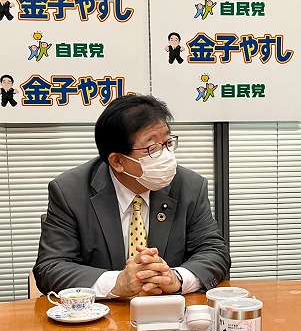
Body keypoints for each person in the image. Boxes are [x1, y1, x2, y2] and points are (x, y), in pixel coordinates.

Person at [34, 94, 231, 298]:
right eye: (152, 148)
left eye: (167, 143)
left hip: (168, 311)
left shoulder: (189, 186)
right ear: (117, 161)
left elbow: (214, 252)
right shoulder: (70, 192)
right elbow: (50, 268)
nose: (166, 156)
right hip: (103, 312)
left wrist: (176, 278)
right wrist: (117, 283)